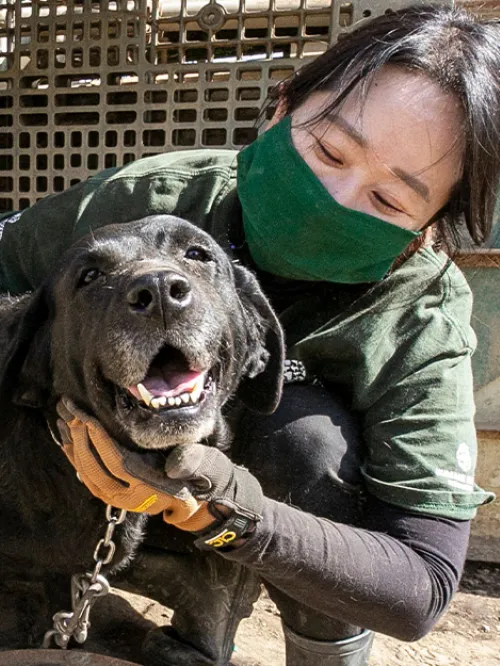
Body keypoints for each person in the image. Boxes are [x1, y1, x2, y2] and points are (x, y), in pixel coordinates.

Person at [1, 3, 500, 665]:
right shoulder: (146, 199)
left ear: (431, 222)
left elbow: (421, 585)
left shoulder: (421, 320)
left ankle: (325, 654)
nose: (335, 196)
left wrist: (219, 504)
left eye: (389, 200)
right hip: (74, 492)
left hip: (274, 518)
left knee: (307, 439)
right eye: (327, 149)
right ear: (281, 106)